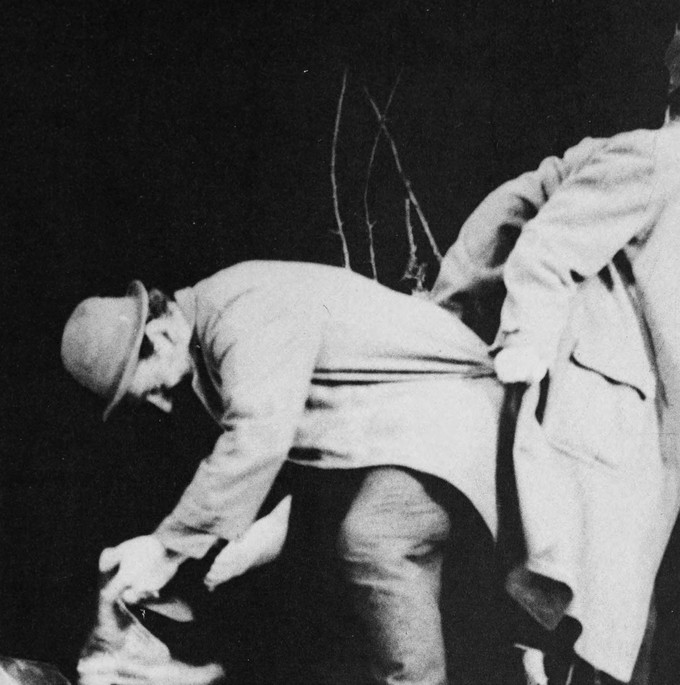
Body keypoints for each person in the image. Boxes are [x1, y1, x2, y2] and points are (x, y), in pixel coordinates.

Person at [430, 10, 680, 685]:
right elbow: (548, 246)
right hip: (600, 427)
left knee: (608, 624)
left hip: (636, 432)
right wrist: (521, 350)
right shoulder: (662, 155)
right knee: (584, 616)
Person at [61, 260, 506, 685]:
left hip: (447, 408)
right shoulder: (212, 338)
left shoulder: (240, 312)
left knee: (375, 538)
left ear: (159, 334)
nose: (162, 403)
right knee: (303, 580)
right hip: (394, 433)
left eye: (152, 389)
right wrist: (257, 537)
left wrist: (167, 547)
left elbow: (258, 437)